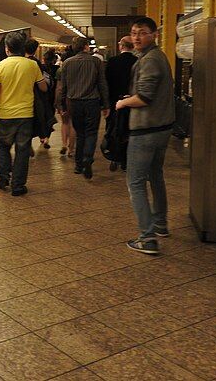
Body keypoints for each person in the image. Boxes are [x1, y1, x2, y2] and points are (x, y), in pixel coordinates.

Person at [115, 16, 174, 255]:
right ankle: (160, 224)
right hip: (162, 127)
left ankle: (147, 238)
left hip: (147, 130)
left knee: (135, 183)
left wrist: (122, 103)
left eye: (142, 32)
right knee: (155, 176)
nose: (137, 37)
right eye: (134, 33)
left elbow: (144, 97)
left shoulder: (150, 60)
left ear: (154, 34)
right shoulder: (158, 56)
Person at [0, 32, 47, 196]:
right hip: (26, 115)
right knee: (22, 150)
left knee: (3, 147)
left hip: (5, 114)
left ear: (7, 49)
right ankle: (18, 186)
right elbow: (43, 87)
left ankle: (3, 178)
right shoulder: (32, 66)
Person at [56, 36, 109, 179]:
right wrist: (106, 104)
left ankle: (78, 165)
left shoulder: (67, 63)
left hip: (74, 103)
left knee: (80, 134)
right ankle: (87, 159)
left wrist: (62, 105)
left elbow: (63, 87)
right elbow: (102, 84)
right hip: (92, 102)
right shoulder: (96, 61)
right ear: (86, 47)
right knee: (91, 133)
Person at [104, 36, 138, 171]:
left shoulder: (112, 62)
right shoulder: (137, 61)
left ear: (121, 46)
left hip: (114, 101)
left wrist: (105, 104)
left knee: (113, 129)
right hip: (132, 101)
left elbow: (106, 83)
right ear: (133, 46)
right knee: (129, 130)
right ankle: (126, 160)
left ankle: (114, 156)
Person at [25, 38, 56, 151]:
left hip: (26, 95)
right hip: (37, 96)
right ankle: (44, 137)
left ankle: (28, 144)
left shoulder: (23, 62)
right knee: (41, 118)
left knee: (29, 121)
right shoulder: (36, 63)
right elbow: (42, 84)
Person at [55, 46, 76, 157]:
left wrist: (57, 102)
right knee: (73, 123)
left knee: (64, 122)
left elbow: (59, 88)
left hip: (62, 98)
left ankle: (63, 144)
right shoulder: (77, 68)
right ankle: (71, 149)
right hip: (74, 98)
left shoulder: (60, 70)